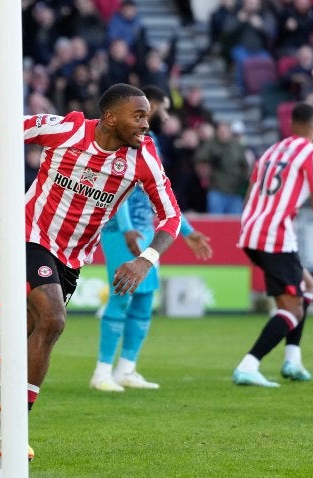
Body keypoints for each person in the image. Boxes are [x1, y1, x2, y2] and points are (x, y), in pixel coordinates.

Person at [0, 83, 183, 460]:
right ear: (111, 117)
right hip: (27, 237)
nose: (147, 124)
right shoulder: (67, 130)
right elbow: (0, 130)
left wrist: (145, 259)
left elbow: (172, 216)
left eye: (148, 116)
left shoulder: (143, 159)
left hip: (72, 258)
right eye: (139, 116)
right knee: (53, 319)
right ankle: (16, 434)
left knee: (23, 340)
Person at [89, 85, 213, 392]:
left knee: (144, 300)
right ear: (152, 106)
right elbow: (118, 187)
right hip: (121, 230)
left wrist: (187, 232)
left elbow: (159, 195)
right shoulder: (127, 136)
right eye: (165, 107)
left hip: (145, 230)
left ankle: (125, 369)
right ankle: (102, 372)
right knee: (122, 297)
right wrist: (128, 228)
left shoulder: (149, 140)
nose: (167, 114)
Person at [232, 102, 313, 388]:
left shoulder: (270, 152)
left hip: (251, 229)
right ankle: (248, 365)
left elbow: (250, 193)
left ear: (291, 125)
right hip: (274, 234)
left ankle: (292, 361)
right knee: (292, 309)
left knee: (306, 285)